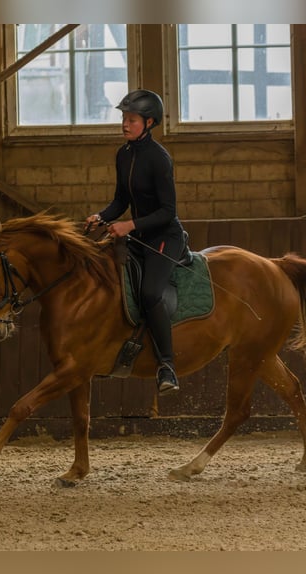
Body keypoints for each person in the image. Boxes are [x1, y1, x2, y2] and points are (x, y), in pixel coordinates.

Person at [85, 89, 186, 396]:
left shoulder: (159, 158)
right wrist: (102, 216)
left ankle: (167, 366)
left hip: (164, 238)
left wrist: (129, 224)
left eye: (131, 119)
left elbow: (168, 212)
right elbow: (121, 200)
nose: (125, 124)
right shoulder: (123, 154)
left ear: (149, 122)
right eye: (123, 119)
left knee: (150, 292)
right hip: (139, 237)